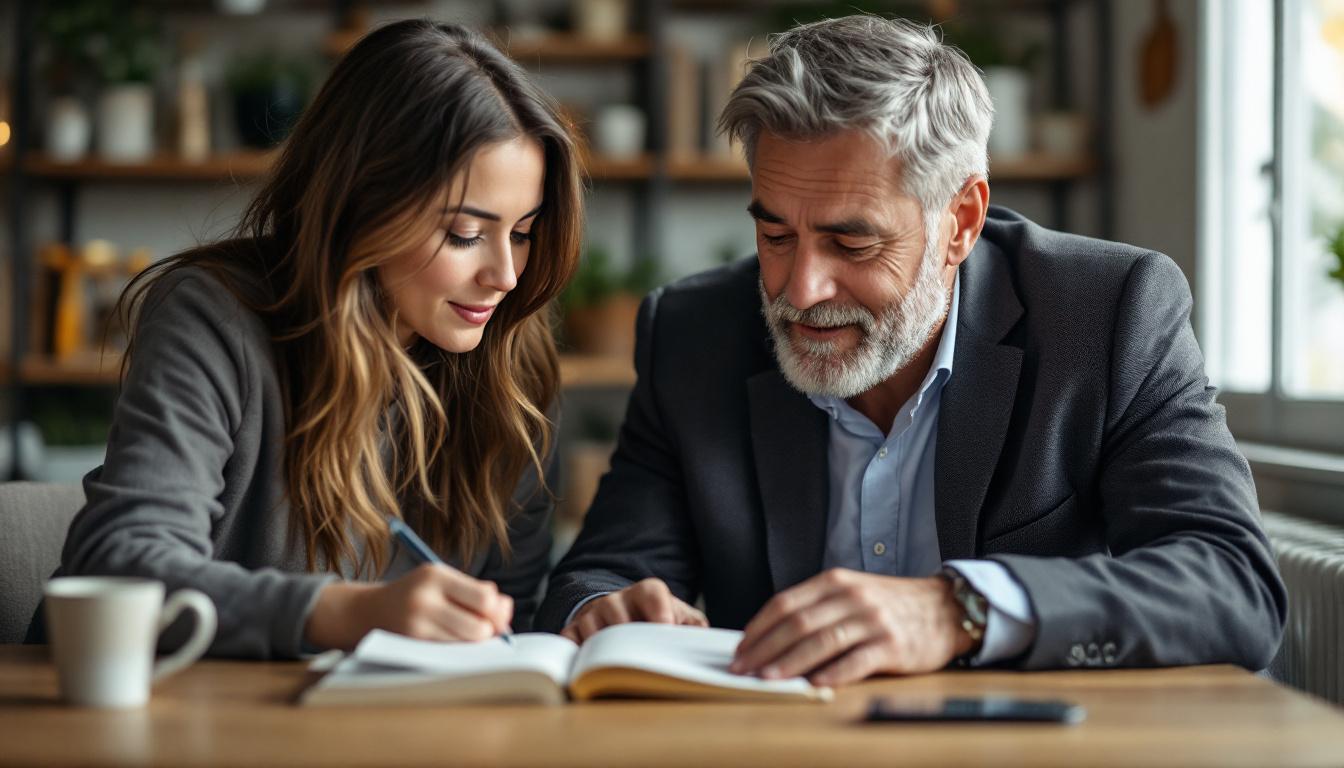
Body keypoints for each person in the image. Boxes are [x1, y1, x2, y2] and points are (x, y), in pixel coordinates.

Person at [537, 15, 1286, 685]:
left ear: (960, 221)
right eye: (774, 235)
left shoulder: (1108, 314)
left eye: (851, 240)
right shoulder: (694, 335)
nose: (800, 287)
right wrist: (605, 610)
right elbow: (597, 574)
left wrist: (958, 611)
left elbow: (1233, 586)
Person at [28, 19, 583, 658]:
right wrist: (345, 613)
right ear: (362, 203)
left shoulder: (512, 362)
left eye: (521, 232)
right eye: (463, 233)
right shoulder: (213, 317)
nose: (506, 276)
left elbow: (512, 629)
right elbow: (121, 564)